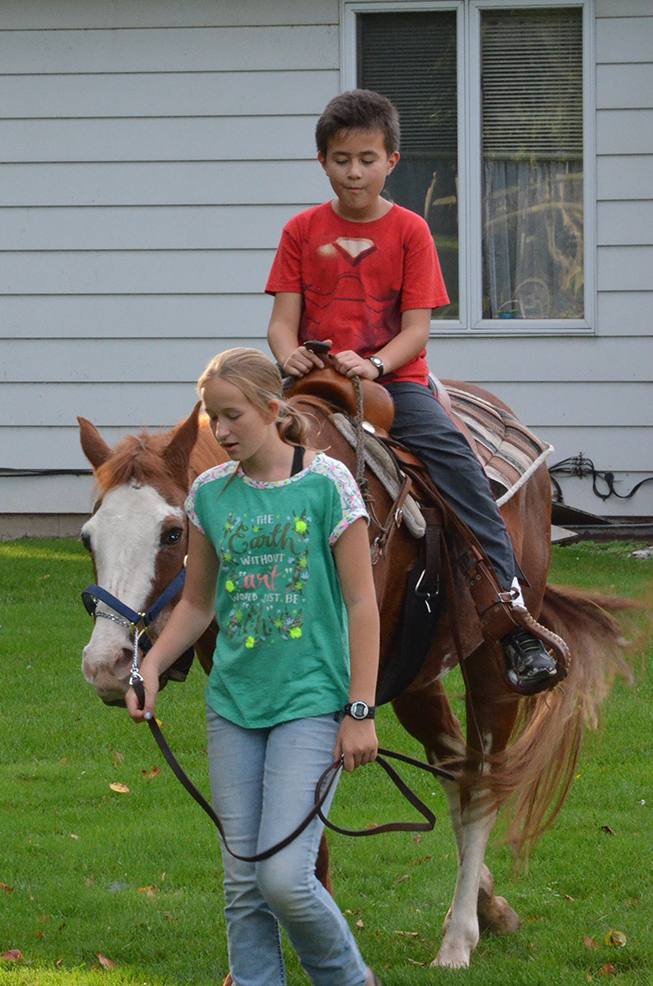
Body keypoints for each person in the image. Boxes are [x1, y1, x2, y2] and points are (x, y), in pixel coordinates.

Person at [265, 87, 558, 691]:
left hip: (394, 383)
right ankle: (188, 613)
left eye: (367, 158)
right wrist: (284, 352)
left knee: (460, 469)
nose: (354, 171)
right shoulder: (300, 230)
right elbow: (281, 321)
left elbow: (417, 328)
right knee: (232, 450)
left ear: (391, 160)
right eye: (341, 159)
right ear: (323, 161)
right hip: (310, 381)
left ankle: (511, 618)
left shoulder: (411, 231)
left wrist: (374, 364)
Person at [126, 347, 383, 986]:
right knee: (243, 880)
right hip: (234, 707)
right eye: (214, 418)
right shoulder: (212, 496)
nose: (224, 430)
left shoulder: (328, 485)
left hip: (311, 705)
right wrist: (152, 664)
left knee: (285, 879)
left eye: (233, 415)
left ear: (272, 410)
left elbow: (361, 605)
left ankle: (350, 980)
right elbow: (197, 601)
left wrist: (359, 710)